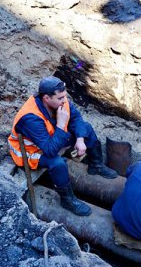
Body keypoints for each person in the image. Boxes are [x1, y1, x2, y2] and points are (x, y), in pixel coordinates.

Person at [8, 76, 118, 216]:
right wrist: (60, 124)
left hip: (51, 140)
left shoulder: (60, 101)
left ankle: (96, 166)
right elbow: (50, 151)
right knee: (57, 163)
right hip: (31, 152)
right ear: (47, 98)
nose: (65, 100)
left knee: (86, 128)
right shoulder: (30, 118)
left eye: (64, 96)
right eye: (60, 98)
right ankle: (67, 200)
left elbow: (77, 118)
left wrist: (79, 139)